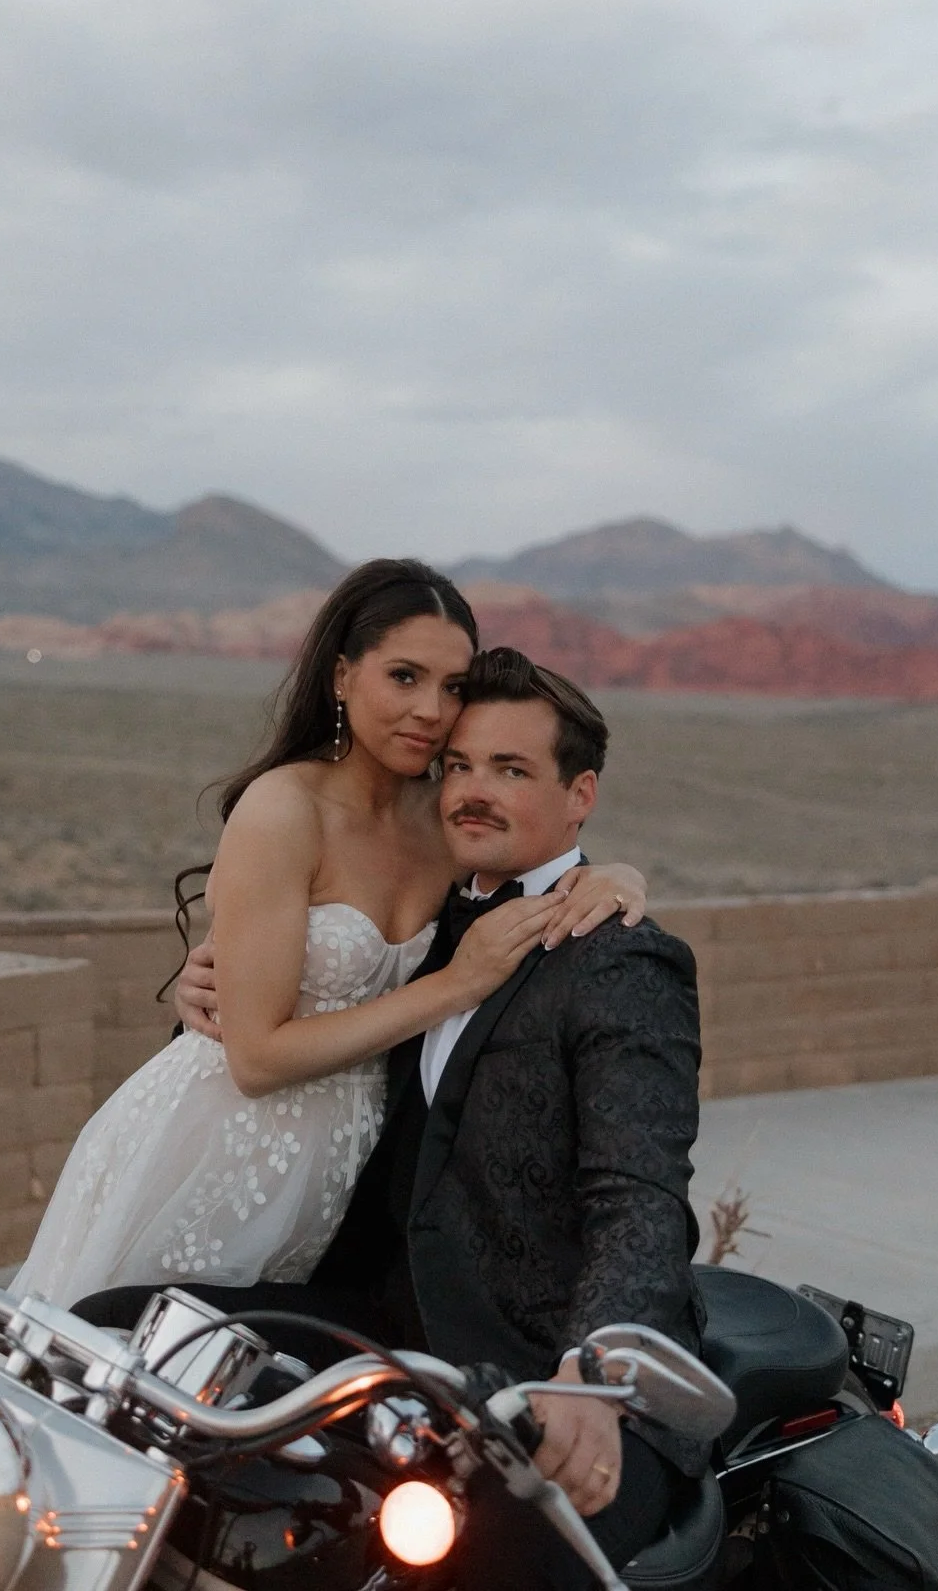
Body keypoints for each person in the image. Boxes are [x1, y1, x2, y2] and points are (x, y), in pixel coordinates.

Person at [77, 647, 703, 1590]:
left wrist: (597, 1367)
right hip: (390, 1331)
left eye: (511, 769)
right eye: (458, 766)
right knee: (111, 1338)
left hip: (540, 1368)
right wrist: (215, 993)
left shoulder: (619, 964)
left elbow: (641, 1197)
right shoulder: (444, 927)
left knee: (472, 1568)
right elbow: (320, 1003)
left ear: (581, 796)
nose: (472, 791)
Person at [10, 561, 647, 1309]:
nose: (432, 712)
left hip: (354, 1177)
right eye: (404, 677)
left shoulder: (442, 819)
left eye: (453, 687)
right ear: (343, 677)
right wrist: (456, 985)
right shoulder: (285, 811)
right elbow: (254, 1057)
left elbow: (530, 863)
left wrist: (620, 877)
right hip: (216, 1154)